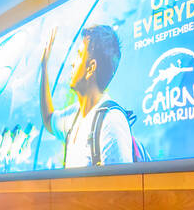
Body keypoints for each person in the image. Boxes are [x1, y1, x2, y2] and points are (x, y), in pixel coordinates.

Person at [38, 24, 145, 168]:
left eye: (79, 54)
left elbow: (123, 187)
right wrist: (44, 66)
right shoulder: (74, 116)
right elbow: (48, 119)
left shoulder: (111, 122)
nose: (72, 63)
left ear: (91, 68)